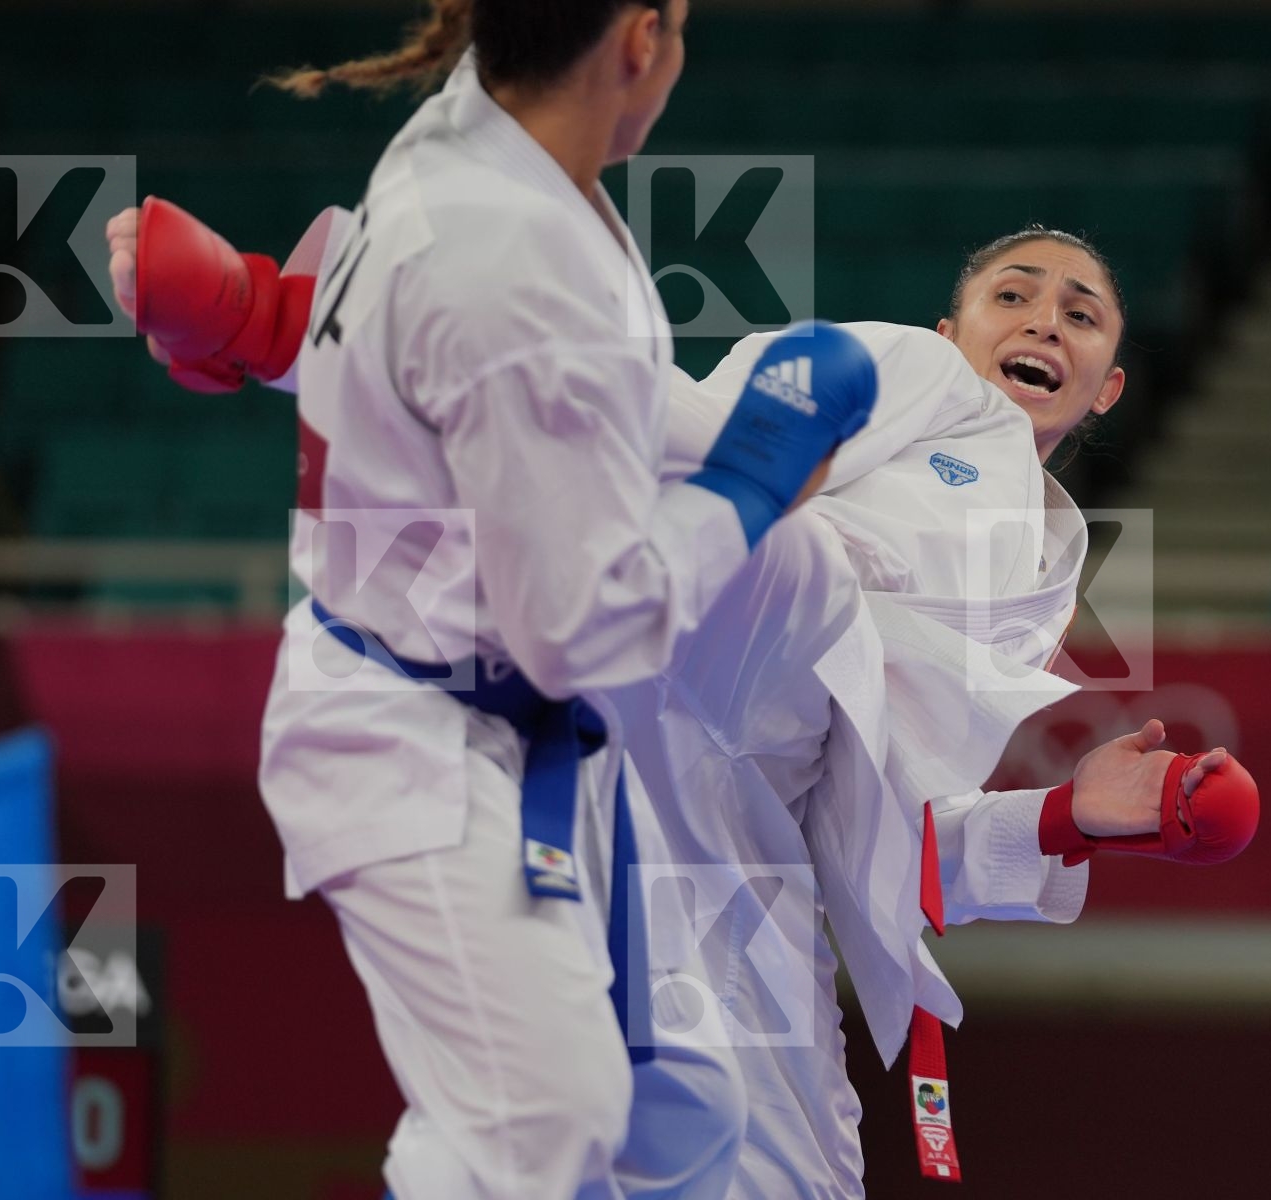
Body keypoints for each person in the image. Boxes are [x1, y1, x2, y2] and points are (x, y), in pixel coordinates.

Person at [114, 207, 1258, 1197]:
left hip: (733, 837)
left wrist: (1073, 816)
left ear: (1108, 384)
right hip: (726, 609)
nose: (1043, 320)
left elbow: (881, 838)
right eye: (1014, 294)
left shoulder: (1041, 586)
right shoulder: (925, 379)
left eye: (1080, 312)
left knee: (786, 1171)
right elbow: (705, 427)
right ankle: (297, 318)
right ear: (954, 330)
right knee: (752, 532)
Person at [109, 3, 880, 1198]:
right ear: (638, 40)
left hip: (503, 719)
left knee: (679, 1112)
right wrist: (752, 474)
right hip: (411, 735)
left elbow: (505, 388)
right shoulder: (511, 259)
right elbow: (584, 624)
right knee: (541, 1125)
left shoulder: (481, 134)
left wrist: (263, 317)